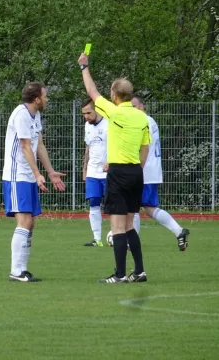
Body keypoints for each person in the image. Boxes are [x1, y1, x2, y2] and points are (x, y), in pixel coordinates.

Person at [78, 53, 151, 283]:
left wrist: (84, 67)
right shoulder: (142, 118)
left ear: (114, 95)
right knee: (130, 224)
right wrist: (136, 168)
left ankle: (119, 275)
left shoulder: (114, 111)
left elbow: (92, 92)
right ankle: (139, 271)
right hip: (136, 173)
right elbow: (145, 148)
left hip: (118, 173)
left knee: (117, 226)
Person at [2, 82, 66, 282]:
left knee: (31, 223)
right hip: (17, 175)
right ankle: (16, 271)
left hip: (28, 175)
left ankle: (22, 269)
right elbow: (25, 147)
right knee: (24, 221)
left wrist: (50, 172)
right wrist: (38, 174)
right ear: (37, 99)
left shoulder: (36, 115)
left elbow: (39, 145)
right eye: (45, 96)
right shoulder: (21, 114)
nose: (47, 99)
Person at [131, 96, 190, 250]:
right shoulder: (151, 121)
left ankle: (132, 242)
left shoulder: (142, 122)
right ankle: (179, 231)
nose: (132, 109)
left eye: (134, 106)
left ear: (142, 106)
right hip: (151, 171)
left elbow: (138, 147)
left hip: (144, 171)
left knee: (133, 206)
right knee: (148, 208)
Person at [81, 99, 108, 247]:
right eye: (84, 114)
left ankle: (120, 236)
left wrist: (111, 162)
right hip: (92, 171)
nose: (86, 116)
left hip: (108, 172)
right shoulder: (87, 126)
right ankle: (97, 239)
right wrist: (84, 168)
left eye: (88, 113)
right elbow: (88, 148)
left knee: (114, 205)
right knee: (93, 202)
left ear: (97, 110)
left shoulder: (109, 124)